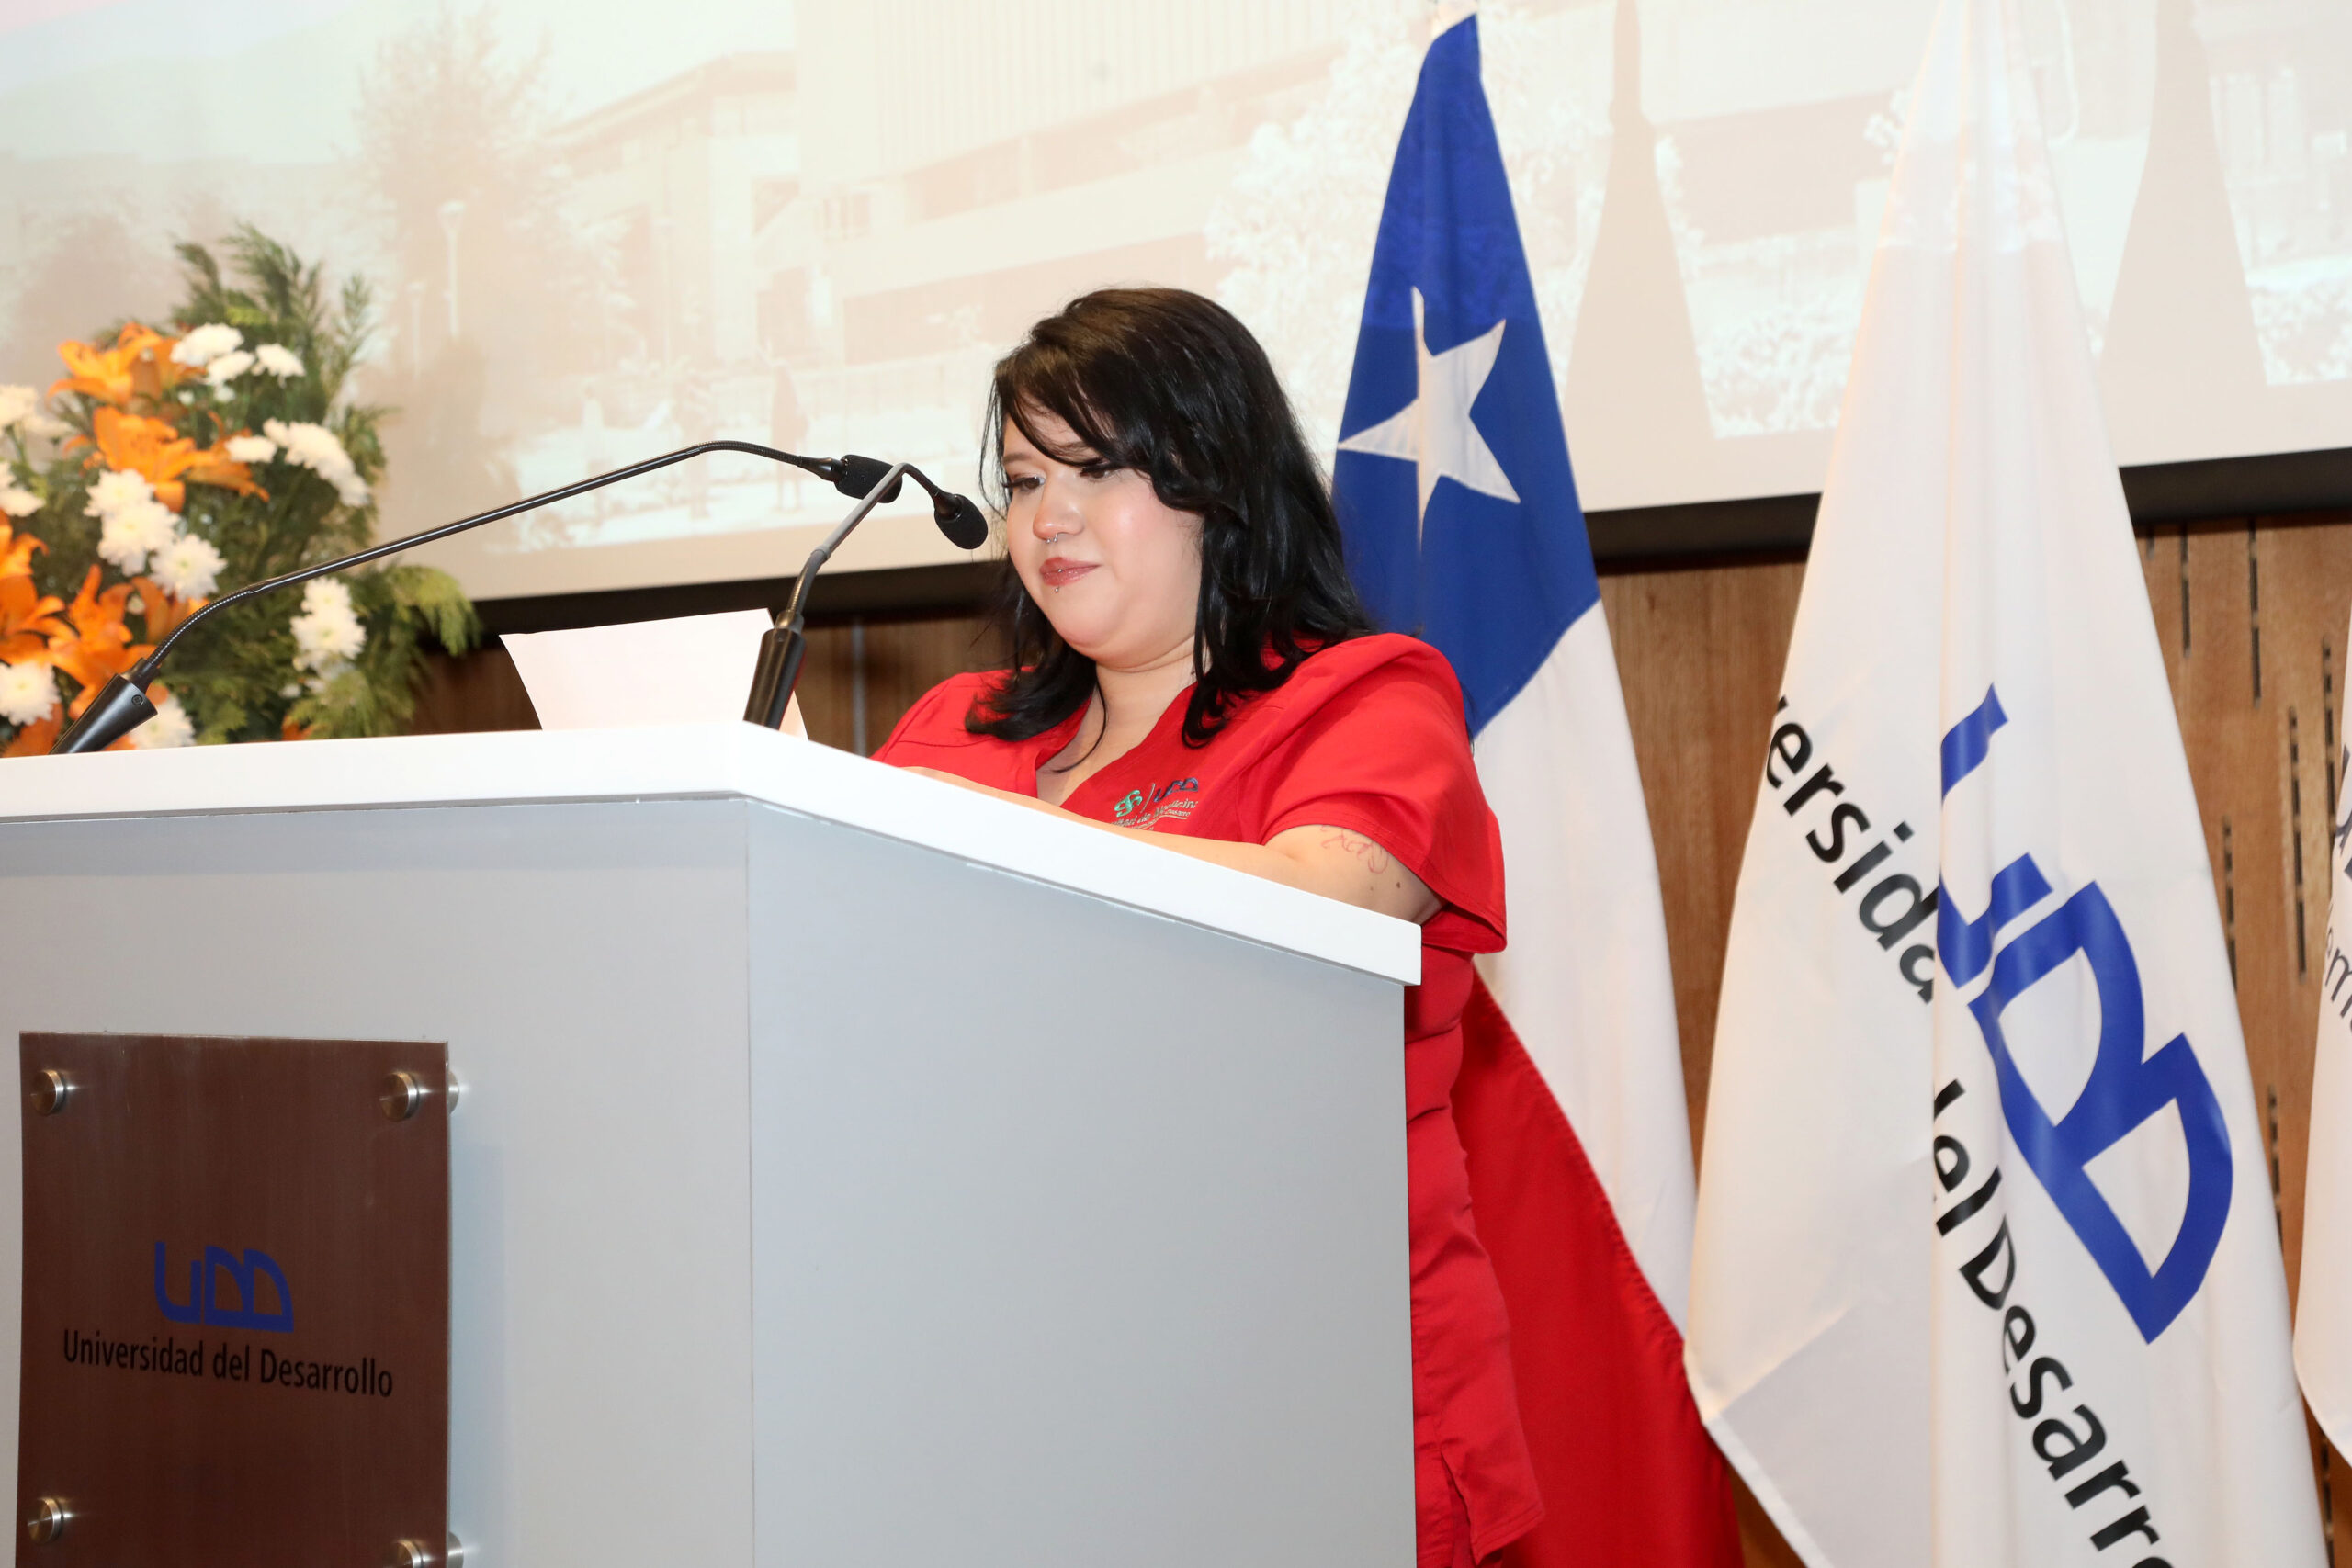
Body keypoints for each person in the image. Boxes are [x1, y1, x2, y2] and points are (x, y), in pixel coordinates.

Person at [872, 288, 1544, 1568]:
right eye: (1024, 480)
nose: (1048, 518)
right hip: (1001, 1381)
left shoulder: (1365, 700)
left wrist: (979, 839)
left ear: (1220, 485)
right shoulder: (957, 732)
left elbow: (1326, 904)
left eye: (1098, 469)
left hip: (1300, 1388)